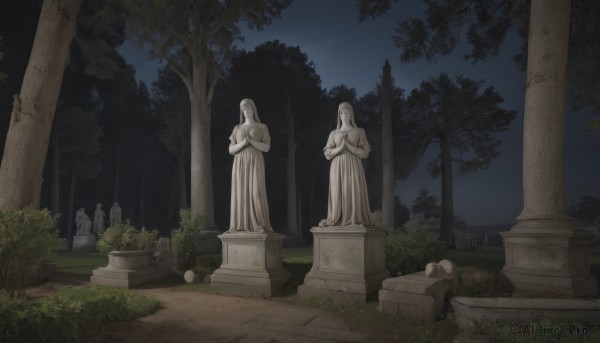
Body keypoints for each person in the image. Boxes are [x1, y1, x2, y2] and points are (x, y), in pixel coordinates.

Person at [319, 102, 373, 227]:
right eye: (342, 113)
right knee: (337, 193)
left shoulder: (359, 131)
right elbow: (327, 154)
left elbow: (365, 153)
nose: (344, 115)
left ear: (351, 114)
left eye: (347, 112)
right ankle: (335, 218)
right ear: (339, 115)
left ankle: (354, 219)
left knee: (352, 191)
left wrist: (348, 145)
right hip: (337, 166)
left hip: (353, 165)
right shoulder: (333, 133)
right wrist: (342, 146)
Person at [227, 98, 273, 233]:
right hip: (240, 164)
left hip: (255, 162)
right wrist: (243, 143)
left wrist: (252, 141)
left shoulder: (262, 127)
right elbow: (231, 150)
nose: (245, 111)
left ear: (253, 109)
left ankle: (259, 224)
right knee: (240, 195)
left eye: (248, 108)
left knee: (256, 192)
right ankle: (241, 225)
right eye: (243, 109)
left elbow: (266, 147)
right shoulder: (237, 128)